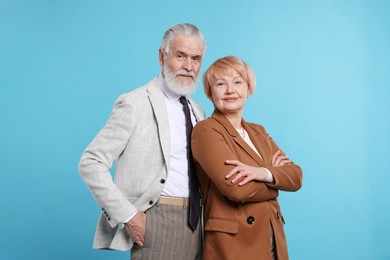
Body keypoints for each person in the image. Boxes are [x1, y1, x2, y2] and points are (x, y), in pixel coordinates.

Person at [78, 23, 206, 260]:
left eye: (196, 58)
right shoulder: (134, 103)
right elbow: (91, 162)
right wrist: (128, 215)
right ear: (162, 56)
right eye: (181, 56)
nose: (189, 66)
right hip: (158, 220)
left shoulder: (198, 111)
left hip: (198, 224)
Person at [191, 56, 303, 260]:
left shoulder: (258, 131)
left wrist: (263, 173)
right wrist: (276, 181)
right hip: (235, 243)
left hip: (272, 237)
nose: (230, 90)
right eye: (220, 84)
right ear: (209, 92)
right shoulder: (206, 130)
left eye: (237, 82)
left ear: (249, 89)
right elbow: (236, 189)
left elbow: (295, 176)